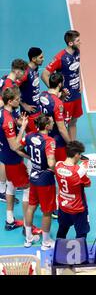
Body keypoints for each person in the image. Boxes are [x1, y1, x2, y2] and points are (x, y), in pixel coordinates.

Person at [22, 114, 56, 249]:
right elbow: (51, 162)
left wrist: (29, 157)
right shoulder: (49, 141)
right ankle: (46, 242)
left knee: (31, 207)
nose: (53, 123)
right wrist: (56, 167)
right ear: (47, 126)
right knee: (47, 211)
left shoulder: (30, 135)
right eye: (51, 122)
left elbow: (18, 147)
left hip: (33, 177)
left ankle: (28, 239)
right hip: (45, 179)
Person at [42, 30, 82, 141]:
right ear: (70, 43)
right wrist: (56, 91)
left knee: (74, 121)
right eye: (78, 41)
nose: (80, 42)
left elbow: (77, 68)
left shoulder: (77, 51)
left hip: (76, 94)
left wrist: (81, 83)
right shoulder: (60, 58)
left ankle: (73, 148)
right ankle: (65, 148)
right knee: (64, 123)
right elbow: (45, 74)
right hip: (66, 98)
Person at [0, 87, 31, 231]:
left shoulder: (4, 113)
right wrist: (23, 127)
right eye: (17, 100)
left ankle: (10, 220)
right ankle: (27, 226)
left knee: (10, 186)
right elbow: (14, 146)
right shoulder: (8, 120)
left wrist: (18, 123)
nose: (19, 102)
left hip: (5, 156)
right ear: (10, 101)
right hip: (13, 159)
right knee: (28, 188)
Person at [54, 141, 91, 238]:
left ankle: (59, 249)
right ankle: (81, 251)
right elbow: (88, 184)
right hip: (78, 208)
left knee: (62, 229)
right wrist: (85, 167)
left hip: (63, 206)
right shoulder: (79, 171)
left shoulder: (58, 165)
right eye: (80, 154)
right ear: (76, 155)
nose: (80, 157)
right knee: (82, 233)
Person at [39, 72, 72, 162]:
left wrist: (61, 98)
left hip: (44, 137)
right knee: (60, 167)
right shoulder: (57, 103)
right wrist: (70, 144)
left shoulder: (42, 95)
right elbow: (61, 129)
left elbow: (52, 109)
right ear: (60, 84)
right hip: (57, 141)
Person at [19, 47, 45, 133]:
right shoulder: (25, 73)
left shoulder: (35, 68)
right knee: (35, 137)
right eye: (40, 57)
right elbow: (12, 89)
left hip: (37, 109)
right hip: (30, 113)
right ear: (33, 59)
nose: (43, 59)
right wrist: (23, 105)